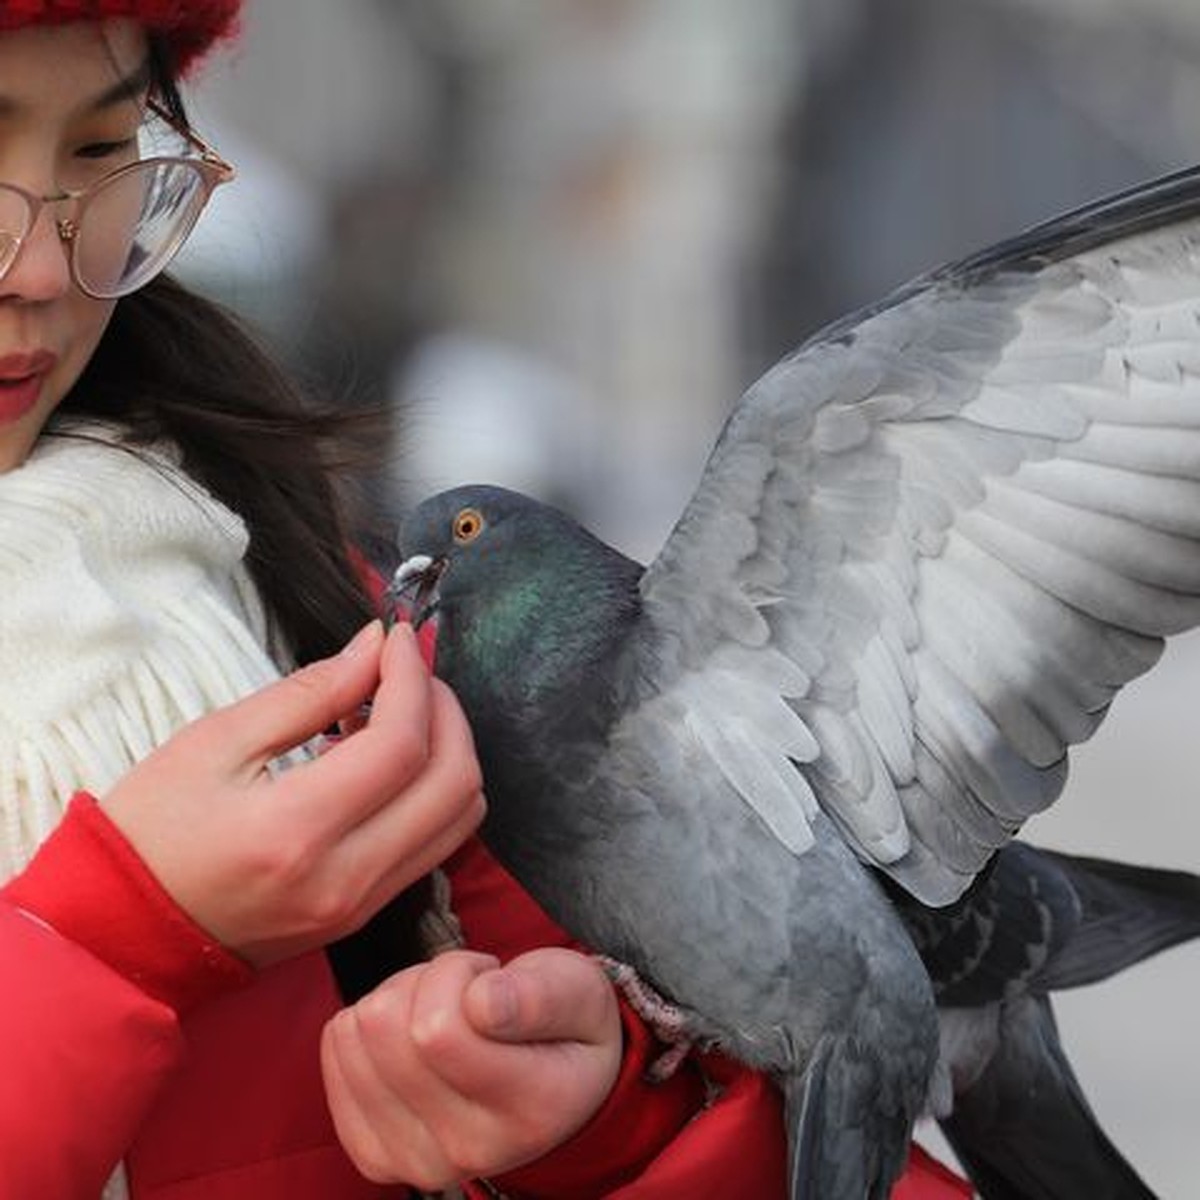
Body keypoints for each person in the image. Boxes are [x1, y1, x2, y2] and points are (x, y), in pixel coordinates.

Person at [0, 4, 971, 1197]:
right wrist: (113, 937)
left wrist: (597, 1123)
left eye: (99, 156)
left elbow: (831, 1117)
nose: (44, 269)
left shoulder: (335, 634)